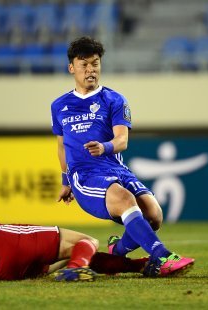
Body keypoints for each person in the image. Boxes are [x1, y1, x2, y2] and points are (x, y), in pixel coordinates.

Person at [50, 36, 194, 277]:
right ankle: (162, 257)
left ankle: (117, 250)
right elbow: (61, 146)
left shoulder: (114, 99)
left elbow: (122, 140)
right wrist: (66, 182)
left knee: (154, 216)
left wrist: (105, 147)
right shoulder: (59, 105)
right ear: (71, 68)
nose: (90, 70)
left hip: (116, 169)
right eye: (84, 64)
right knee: (126, 199)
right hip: (85, 174)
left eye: (95, 64)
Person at [0, 147, 148, 284]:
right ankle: (78, 269)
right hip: (4, 243)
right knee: (86, 241)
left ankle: (139, 265)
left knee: (72, 253)